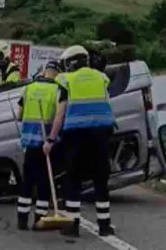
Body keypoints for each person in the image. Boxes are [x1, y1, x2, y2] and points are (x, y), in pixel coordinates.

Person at [44, 45, 115, 237]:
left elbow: (61, 112)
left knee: (73, 179)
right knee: (101, 180)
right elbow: (108, 104)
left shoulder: (66, 80)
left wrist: (51, 139)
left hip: (76, 137)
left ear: (70, 63)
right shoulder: (101, 78)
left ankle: (73, 226)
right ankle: (105, 225)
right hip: (100, 135)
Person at [15, 60, 67, 231]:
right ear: (58, 73)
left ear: (45, 71)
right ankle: (40, 220)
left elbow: (19, 115)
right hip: (46, 145)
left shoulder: (29, 88)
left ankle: (22, 220)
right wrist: (51, 139)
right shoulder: (58, 90)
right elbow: (59, 116)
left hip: (29, 142)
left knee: (27, 182)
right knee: (44, 182)